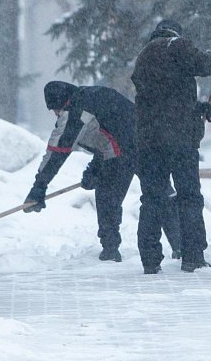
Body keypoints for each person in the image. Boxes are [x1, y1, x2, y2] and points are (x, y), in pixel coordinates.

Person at [22, 81, 180, 263]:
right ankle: (181, 246)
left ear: (60, 103)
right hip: (148, 142)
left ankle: (110, 250)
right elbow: (111, 129)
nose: (55, 114)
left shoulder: (75, 111)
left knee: (107, 197)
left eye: (54, 110)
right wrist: (95, 168)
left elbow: (58, 152)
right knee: (162, 194)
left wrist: (39, 187)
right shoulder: (91, 96)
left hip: (124, 150)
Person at [131, 19, 211, 273]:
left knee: (152, 199)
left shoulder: (144, 57)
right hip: (179, 141)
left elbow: (162, 100)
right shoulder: (175, 45)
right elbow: (203, 64)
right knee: (189, 197)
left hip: (149, 142)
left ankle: (149, 259)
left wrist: (197, 109)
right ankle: (192, 256)